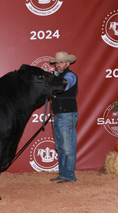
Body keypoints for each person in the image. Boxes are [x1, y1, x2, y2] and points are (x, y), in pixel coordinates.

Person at [49, 52, 78, 183]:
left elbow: (64, 85)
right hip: (59, 115)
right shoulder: (57, 76)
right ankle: (63, 174)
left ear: (68, 63)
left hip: (67, 114)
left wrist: (52, 82)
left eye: (60, 63)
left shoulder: (70, 76)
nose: (58, 65)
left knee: (68, 148)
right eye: (56, 63)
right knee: (60, 147)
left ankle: (70, 176)